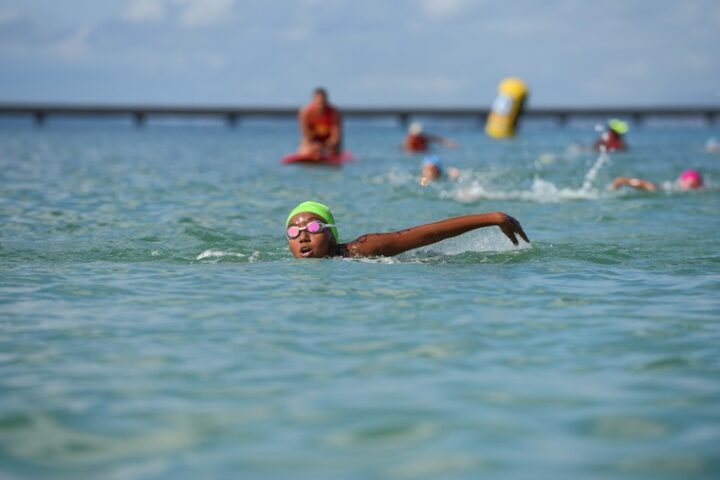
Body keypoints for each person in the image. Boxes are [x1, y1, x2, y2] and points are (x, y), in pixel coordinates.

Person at [285, 201, 529, 259]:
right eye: (294, 232)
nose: (303, 235)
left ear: (331, 234)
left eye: (313, 227)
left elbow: (425, 234)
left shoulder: (359, 250)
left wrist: (492, 217)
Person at [298, 87, 342, 159]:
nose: (321, 105)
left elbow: (336, 137)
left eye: (323, 102)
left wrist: (325, 146)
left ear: (326, 101)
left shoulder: (334, 113)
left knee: (333, 150)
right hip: (313, 141)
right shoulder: (305, 113)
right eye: (318, 102)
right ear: (313, 101)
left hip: (329, 143)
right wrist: (314, 146)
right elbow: (306, 135)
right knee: (304, 150)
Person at [611, 169, 704, 192]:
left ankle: (621, 180)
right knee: (650, 186)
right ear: (682, 181)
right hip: (663, 187)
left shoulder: (701, 189)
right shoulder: (673, 186)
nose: (690, 187)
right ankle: (621, 180)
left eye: (694, 185)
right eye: (689, 183)